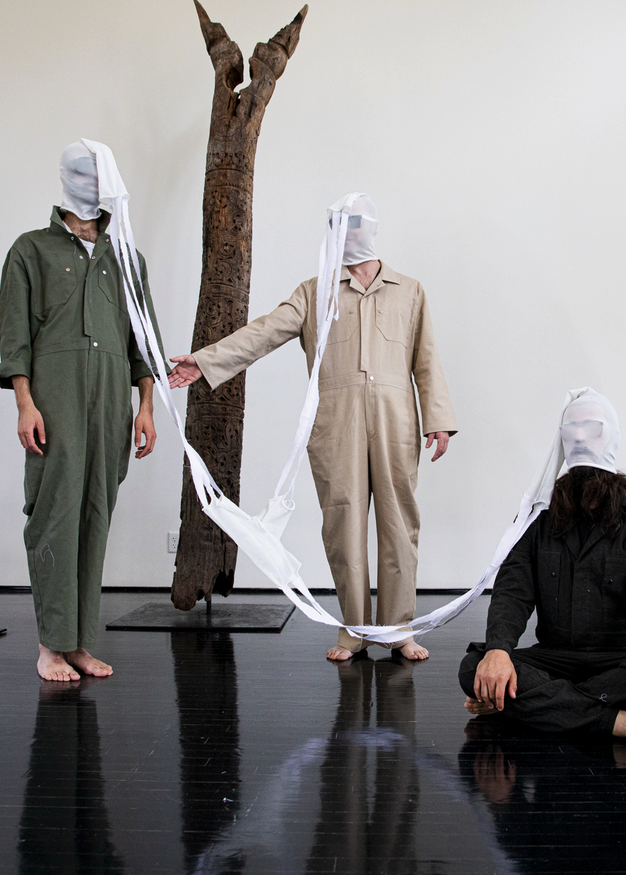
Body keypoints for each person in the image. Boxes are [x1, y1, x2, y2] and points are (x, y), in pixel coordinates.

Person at [167, 194, 457, 661]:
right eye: (339, 223)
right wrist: (205, 361)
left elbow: (426, 359)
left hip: (396, 422)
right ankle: (354, 629)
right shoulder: (314, 292)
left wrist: (438, 419)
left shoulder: (409, 291)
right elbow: (263, 332)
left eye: (356, 221)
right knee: (343, 526)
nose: (348, 230)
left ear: (374, 226)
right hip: (335, 425)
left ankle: (398, 629)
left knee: (399, 524)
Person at [0, 141, 167, 682]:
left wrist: (145, 407)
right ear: (67, 179)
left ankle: (79, 643)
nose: (96, 185)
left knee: (95, 514)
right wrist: (25, 404)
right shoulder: (30, 250)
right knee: (54, 514)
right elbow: (15, 337)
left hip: (112, 401)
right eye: (86, 175)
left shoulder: (128, 259)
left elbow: (143, 342)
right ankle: (51, 645)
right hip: (55, 399)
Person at [458, 390, 626, 750]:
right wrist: (498, 651)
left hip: (625, 662)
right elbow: (512, 591)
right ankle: (621, 723)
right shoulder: (537, 518)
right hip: (557, 658)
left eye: (593, 429)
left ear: (611, 436)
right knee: (474, 667)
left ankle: (531, 705)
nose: (581, 438)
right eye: (571, 430)